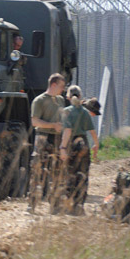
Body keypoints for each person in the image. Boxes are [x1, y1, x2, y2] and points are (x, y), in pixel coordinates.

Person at [54, 86, 99, 215]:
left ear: (68, 97)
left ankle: (69, 206)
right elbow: (92, 132)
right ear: (80, 96)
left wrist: (62, 147)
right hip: (83, 143)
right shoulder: (85, 112)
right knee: (83, 176)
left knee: (69, 175)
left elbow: (67, 131)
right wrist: (96, 145)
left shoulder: (66, 112)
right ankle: (79, 206)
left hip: (71, 145)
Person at [28, 73, 66, 213]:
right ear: (53, 85)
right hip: (43, 138)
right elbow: (35, 122)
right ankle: (31, 204)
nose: (63, 89)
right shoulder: (39, 100)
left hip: (57, 139)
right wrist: (52, 125)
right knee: (38, 172)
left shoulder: (61, 100)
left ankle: (55, 206)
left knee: (57, 173)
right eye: (61, 86)